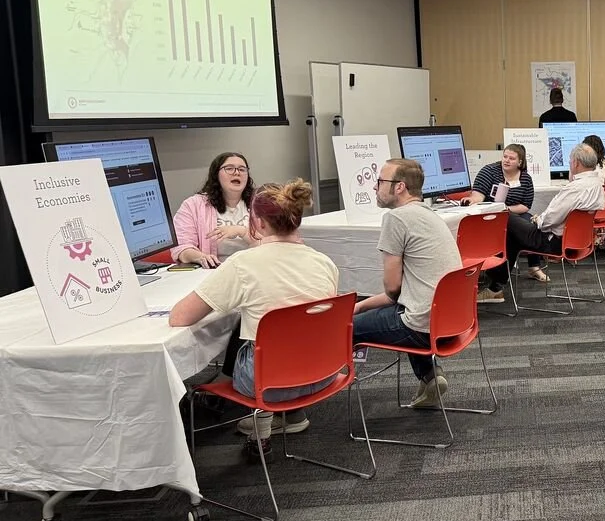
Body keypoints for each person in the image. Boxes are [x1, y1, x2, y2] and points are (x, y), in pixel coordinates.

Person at [169, 179, 338, 439]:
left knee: (246, 331)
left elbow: (180, 317)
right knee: (260, 325)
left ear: (258, 223)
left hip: (266, 382)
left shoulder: (243, 264)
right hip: (324, 373)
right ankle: (287, 416)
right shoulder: (325, 263)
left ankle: (262, 420)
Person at [352, 158, 462, 407]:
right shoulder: (429, 215)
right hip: (452, 322)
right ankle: (430, 375)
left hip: (423, 327)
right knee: (406, 306)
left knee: (347, 326)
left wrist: (360, 307)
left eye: (380, 181)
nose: (375, 187)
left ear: (399, 187)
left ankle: (302, 405)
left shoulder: (397, 219)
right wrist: (363, 306)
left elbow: (392, 290)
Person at [478, 143, 605, 300]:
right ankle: (496, 284)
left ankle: (493, 281)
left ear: (576, 163)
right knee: (513, 235)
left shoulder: (574, 189)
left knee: (504, 216)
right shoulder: (597, 185)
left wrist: (538, 220)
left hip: (552, 241)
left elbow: (548, 221)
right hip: (578, 241)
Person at [467, 144, 549, 283]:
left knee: (531, 223)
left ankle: (533, 268)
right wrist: (471, 200)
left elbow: (525, 205)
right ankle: (498, 275)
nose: (507, 160)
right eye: (505, 156)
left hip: (512, 212)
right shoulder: (489, 171)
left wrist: (507, 210)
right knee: (513, 230)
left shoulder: (525, 178)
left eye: (511, 158)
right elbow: (478, 196)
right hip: (490, 215)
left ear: (520, 162)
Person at [172, 152, 255, 267]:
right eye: (229, 168)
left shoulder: (260, 202)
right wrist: (200, 257)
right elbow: (181, 248)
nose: (236, 173)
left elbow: (273, 243)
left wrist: (241, 231)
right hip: (214, 272)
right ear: (216, 174)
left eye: (242, 169)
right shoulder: (193, 205)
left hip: (254, 269)